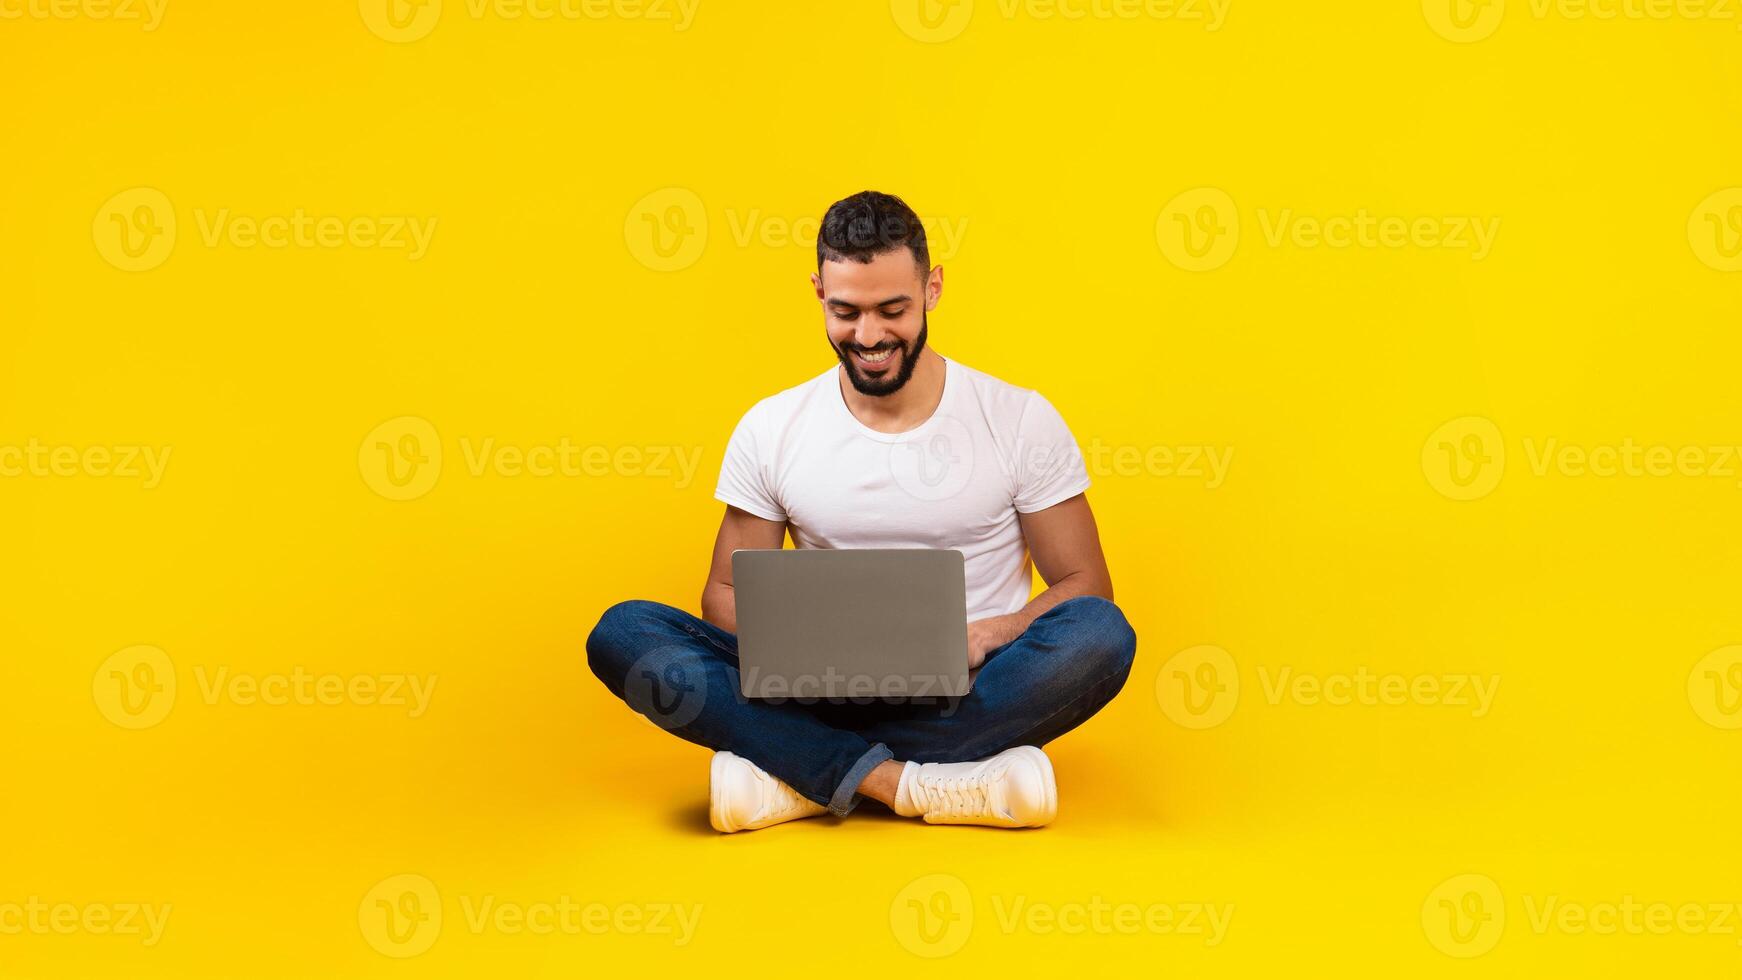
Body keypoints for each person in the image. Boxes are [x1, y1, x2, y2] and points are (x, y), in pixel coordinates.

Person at [587, 190, 1137, 832]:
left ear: (932, 289)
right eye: (845, 312)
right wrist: (807, 645)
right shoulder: (773, 426)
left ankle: (800, 771)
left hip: (967, 688)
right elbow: (723, 592)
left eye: (892, 310)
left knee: (1100, 635)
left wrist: (989, 633)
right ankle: (908, 783)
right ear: (819, 292)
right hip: (813, 691)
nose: (869, 336)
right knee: (625, 633)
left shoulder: (1018, 418)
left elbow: (1086, 585)